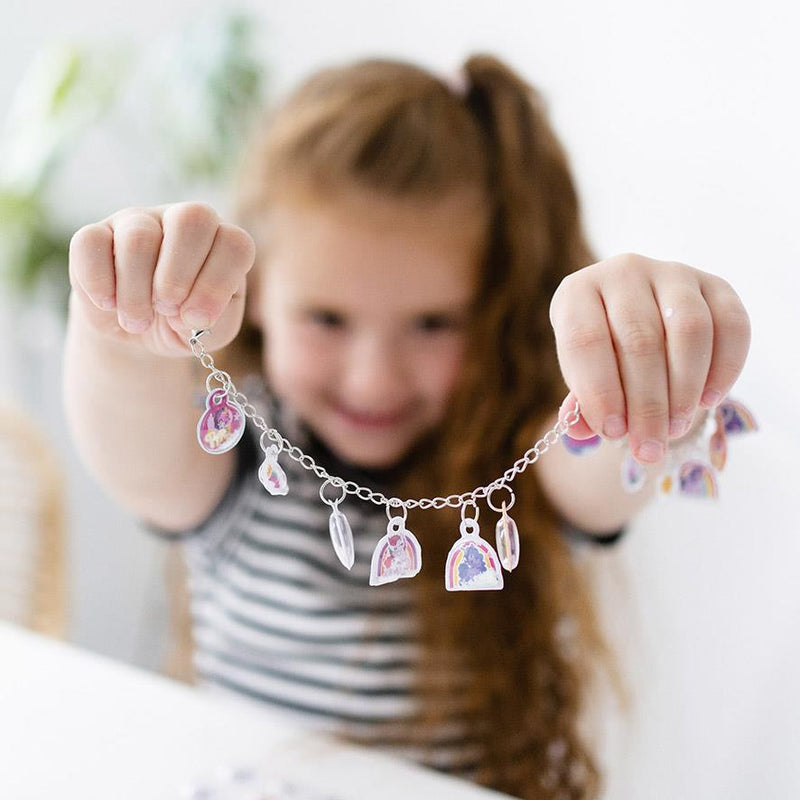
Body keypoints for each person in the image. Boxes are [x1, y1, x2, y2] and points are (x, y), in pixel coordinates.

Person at [63, 54, 751, 799]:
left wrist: (640, 367)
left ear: (490, 308)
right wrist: (123, 334)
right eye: (327, 318)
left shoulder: (518, 457)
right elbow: (130, 442)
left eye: (432, 323)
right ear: (256, 294)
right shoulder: (231, 452)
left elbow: (609, 460)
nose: (373, 379)